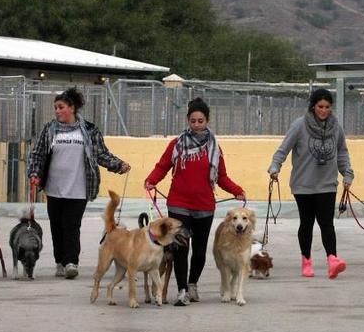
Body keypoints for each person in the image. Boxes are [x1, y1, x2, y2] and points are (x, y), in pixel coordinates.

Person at [145, 97, 246, 306]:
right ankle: (181, 290)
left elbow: (222, 177)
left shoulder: (215, 147)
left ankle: (193, 284)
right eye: (193, 121)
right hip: (179, 204)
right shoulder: (177, 144)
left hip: (204, 206)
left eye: (200, 121)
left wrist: (237, 191)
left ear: (207, 120)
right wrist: (151, 180)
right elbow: (162, 166)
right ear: (188, 120)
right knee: (181, 248)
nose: (196, 124)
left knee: (200, 251)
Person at [28, 87, 131, 279]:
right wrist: (34, 173)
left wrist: (119, 165)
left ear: (72, 108)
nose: (57, 111)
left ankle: (71, 262)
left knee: (72, 226)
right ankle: (59, 261)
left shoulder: (89, 130)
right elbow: (38, 154)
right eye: (56, 108)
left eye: (61, 107)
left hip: (79, 188)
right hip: (54, 188)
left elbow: (101, 154)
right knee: (56, 227)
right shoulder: (49, 130)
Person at [268, 88, 354, 279]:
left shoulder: (336, 127)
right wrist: (275, 166)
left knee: (326, 223)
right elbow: (284, 149)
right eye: (320, 106)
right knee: (306, 224)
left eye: (327, 107)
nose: (324, 110)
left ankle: (333, 259)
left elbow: (342, 152)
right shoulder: (299, 125)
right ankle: (306, 260)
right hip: (303, 185)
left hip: (327, 184)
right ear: (313, 106)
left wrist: (347, 174)